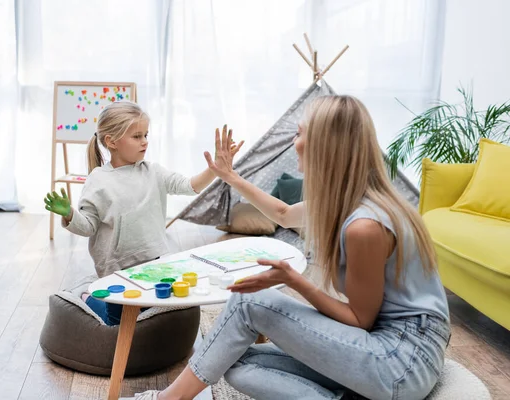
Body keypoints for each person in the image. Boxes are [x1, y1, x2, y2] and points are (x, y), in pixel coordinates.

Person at [130, 95, 450, 400]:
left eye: (299, 133)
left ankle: (168, 397)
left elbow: (358, 320)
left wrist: (294, 280)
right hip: (384, 353)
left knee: (248, 302)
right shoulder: (346, 201)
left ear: (327, 144)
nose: (293, 143)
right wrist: (229, 176)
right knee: (232, 359)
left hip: (402, 362)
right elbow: (283, 214)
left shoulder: (365, 226)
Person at [44, 101, 243, 325]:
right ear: (112, 141)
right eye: (137, 136)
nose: (145, 142)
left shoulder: (153, 172)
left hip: (154, 263)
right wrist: (69, 214)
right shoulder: (99, 180)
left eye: (146, 135)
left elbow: (190, 186)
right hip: (116, 271)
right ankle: (90, 299)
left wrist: (214, 168)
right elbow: (88, 226)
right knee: (118, 323)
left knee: (153, 318)